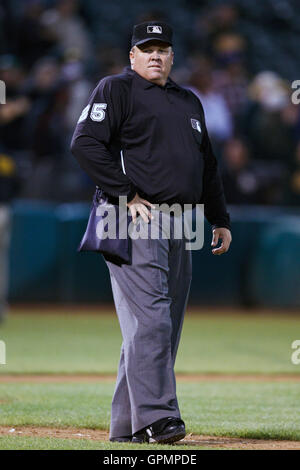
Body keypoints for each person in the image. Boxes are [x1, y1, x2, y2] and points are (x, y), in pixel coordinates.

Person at [71, 21, 232, 444]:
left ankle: (127, 425)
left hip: (183, 221)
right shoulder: (115, 89)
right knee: (153, 320)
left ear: (173, 56)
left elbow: (208, 166)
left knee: (161, 325)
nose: (155, 55)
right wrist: (125, 193)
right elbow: (84, 143)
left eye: (162, 49)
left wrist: (220, 219)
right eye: (147, 49)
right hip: (132, 217)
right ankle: (159, 418)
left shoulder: (188, 100)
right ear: (132, 56)